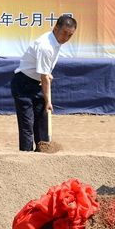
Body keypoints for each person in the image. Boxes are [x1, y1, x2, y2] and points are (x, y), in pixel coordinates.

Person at [11, 15, 77, 152]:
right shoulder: (46, 46)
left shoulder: (55, 42)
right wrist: (48, 101)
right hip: (24, 84)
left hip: (37, 83)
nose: (66, 38)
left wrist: (46, 73)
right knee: (27, 124)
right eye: (64, 33)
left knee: (43, 122)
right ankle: (26, 156)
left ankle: (43, 154)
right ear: (56, 28)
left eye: (70, 35)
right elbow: (44, 76)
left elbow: (44, 71)